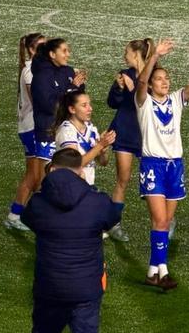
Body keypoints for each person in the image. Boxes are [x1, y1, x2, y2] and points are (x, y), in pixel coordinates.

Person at [16, 148, 119, 333]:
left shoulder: (39, 203)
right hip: (86, 290)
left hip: (50, 289)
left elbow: (27, 218)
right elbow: (112, 217)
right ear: (80, 171)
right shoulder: (97, 202)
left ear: (51, 169)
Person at [134, 36, 189, 290]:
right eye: (159, 79)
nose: (165, 82)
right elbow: (140, 81)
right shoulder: (144, 102)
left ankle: (153, 269)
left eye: (166, 79)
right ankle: (162, 272)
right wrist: (155, 57)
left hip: (175, 165)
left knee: (163, 222)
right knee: (161, 220)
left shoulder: (176, 100)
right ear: (152, 84)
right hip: (153, 164)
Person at [103, 39, 151, 242]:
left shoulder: (151, 75)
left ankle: (166, 219)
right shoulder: (125, 74)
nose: (124, 55)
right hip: (124, 131)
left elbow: (145, 103)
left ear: (136, 54)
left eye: (127, 52)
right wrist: (119, 89)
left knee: (151, 182)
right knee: (123, 179)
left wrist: (132, 90)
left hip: (147, 135)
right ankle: (114, 224)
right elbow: (112, 103)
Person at [6, 33, 46, 231]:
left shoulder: (37, 69)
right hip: (32, 128)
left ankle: (16, 214)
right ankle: (34, 216)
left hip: (32, 127)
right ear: (31, 50)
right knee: (37, 176)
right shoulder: (30, 71)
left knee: (33, 174)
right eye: (41, 46)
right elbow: (38, 99)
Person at [30, 38, 86, 169]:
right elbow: (49, 106)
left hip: (68, 132)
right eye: (64, 51)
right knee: (46, 179)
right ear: (52, 54)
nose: (68, 54)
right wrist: (72, 87)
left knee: (69, 174)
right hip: (48, 134)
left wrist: (80, 86)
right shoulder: (41, 76)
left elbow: (77, 101)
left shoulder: (68, 71)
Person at [53, 90, 115, 187]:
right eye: (84, 105)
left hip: (87, 186)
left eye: (89, 104)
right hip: (70, 186)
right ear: (72, 109)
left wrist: (103, 151)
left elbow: (103, 162)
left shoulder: (91, 129)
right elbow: (75, 164)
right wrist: (100, 145)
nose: (90, 109)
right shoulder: (66, 131)